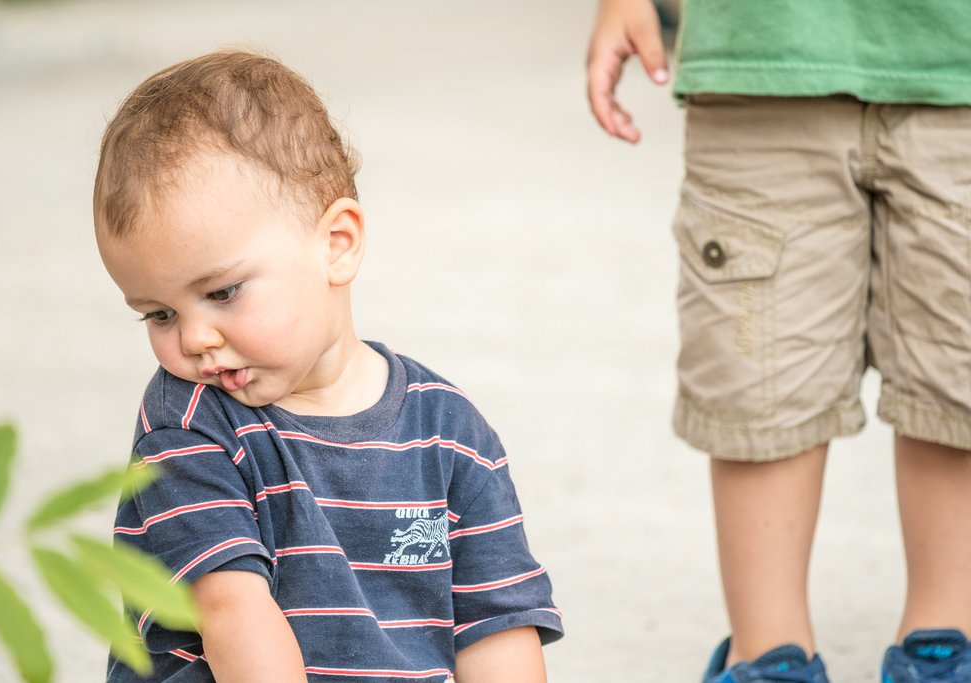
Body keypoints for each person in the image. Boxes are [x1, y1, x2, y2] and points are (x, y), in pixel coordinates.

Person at [93, 49, 562, 683]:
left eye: (222, 292)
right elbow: (232, 613)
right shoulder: (187, 420)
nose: (195, 339)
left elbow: (497, 630)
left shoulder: (449, 430)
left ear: (336, 246)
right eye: (159, 314)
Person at [586, 1, 971, 681]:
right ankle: (770, 657)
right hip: (763, 51)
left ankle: (946, 649)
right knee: (757, 376)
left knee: (958, 372)